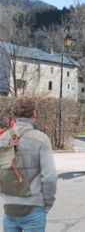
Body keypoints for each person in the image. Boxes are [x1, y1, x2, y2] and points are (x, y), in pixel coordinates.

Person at [0, 96, 57, 232]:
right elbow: (49, 177)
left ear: (15, 114)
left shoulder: (3, 138)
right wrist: (48, 204)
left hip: (9, 209)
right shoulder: (41, 139)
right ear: (34, 114)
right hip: (34, 208)